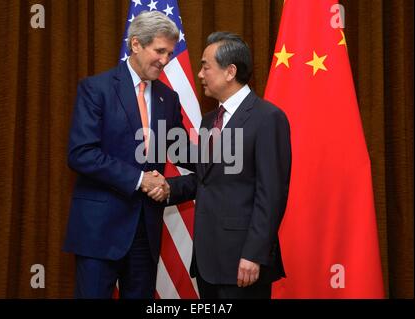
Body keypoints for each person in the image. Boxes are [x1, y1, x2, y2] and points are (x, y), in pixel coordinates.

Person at [148, 32, 292, 299]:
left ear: (230, 71)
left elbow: (271, 195)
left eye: (205, 66)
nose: (200, 74)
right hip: (207, 261)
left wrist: (254, 255)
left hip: (243, 262)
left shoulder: (267, 118)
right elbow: (206, 178)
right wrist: (166, 187)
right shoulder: (209, 121)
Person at [63, 11, 187, 299]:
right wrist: (140, 179)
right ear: (135, 44)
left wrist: (227, 151)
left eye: (169, 53)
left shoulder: (168, 99)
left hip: (145, 230)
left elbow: (179, 149)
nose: (165, 60)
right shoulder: (96, 89)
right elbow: (81, 154)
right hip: (99, 230)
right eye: (159, 51)